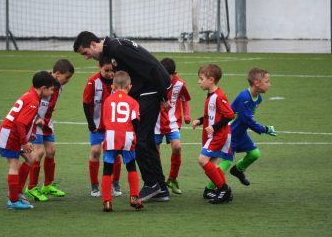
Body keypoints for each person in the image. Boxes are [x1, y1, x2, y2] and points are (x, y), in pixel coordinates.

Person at [73, 31, 172, 202]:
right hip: (148, 89)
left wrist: (164, 96)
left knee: (138, 138)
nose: (86, 57)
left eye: (85, 53)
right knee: (147, 139)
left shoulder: (117, 49)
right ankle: (161, 187)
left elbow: (152, 67)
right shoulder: (113, 48)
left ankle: (151, 184)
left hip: (153, 89)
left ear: (93, 44)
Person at [0, 71, 56, 210]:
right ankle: (13, 201)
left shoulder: (31, 95)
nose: (52, 92)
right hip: (11, 135)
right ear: (43, 88)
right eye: (51, 89)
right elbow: (20, 123)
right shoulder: (33, 101)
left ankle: (18, 193)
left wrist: (32, 131)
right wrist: (25, 142)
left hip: (14, 134)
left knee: (30, 159)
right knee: (14, 166)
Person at [24, 59, 75, 202]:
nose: (68, 81)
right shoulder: (43, 83)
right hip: (36, 121)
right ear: (57, 74)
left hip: (47, 121)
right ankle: (31, 188)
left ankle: (47, 185)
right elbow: (32, 100)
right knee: (38, 152)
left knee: (51, 151)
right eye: (67, 77)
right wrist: (37, 117)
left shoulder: (58, 86)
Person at [192, 64, 235, 204]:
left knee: (202, 160)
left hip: (219, 134)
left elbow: (230, 115)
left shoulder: (218, 96)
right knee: (213, 163)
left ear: (211, 80)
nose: (199, 81)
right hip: (215, 134)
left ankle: (223, 189)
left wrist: (214, 127)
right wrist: (200, 120)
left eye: (201, 78)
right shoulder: (211, 95)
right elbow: (211, 115)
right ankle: (223, 190)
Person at [101, 70, 143, 211]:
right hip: (127, 137)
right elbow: (135, 121)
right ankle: (134, 197)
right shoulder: (133, 102)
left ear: (112, 87)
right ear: (129, 87)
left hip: (111, 136)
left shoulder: (107, 101)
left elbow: (105, 120)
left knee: (107, 169)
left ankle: (107, 201)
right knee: (131, 166)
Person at [229, 68, 277, 186]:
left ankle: (237, 170)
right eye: (267, 81)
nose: (269, 84)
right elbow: (247, 120)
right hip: (229, 134)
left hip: (240, 133)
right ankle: (210, 188)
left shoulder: (258, 98)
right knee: (225, 162)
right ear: (256, 83)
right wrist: (265, 129)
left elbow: (247, 119)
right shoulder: (244, 97)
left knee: (254, 154)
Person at [82, 56, 122, 197]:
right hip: (97, 124)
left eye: (112, 70)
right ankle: (94, 185)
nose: (110, 73)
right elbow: (86, 104)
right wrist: (91, 123)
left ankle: (115, 183)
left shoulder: (118, 82)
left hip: (114, 124)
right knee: (95, 151)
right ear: (99, 67)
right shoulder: (93, 82)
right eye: (107, 70)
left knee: (115, 153)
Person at [155, 58, 191, 196]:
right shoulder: (154, 82)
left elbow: (184, 100)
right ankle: (158, 181)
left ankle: (172, 179)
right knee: (154, 152)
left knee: (177, 147)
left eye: (168, 75)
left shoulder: (180, 84)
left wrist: (186, 114)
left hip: (172, 122)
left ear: (174, 73)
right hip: (156, 123)